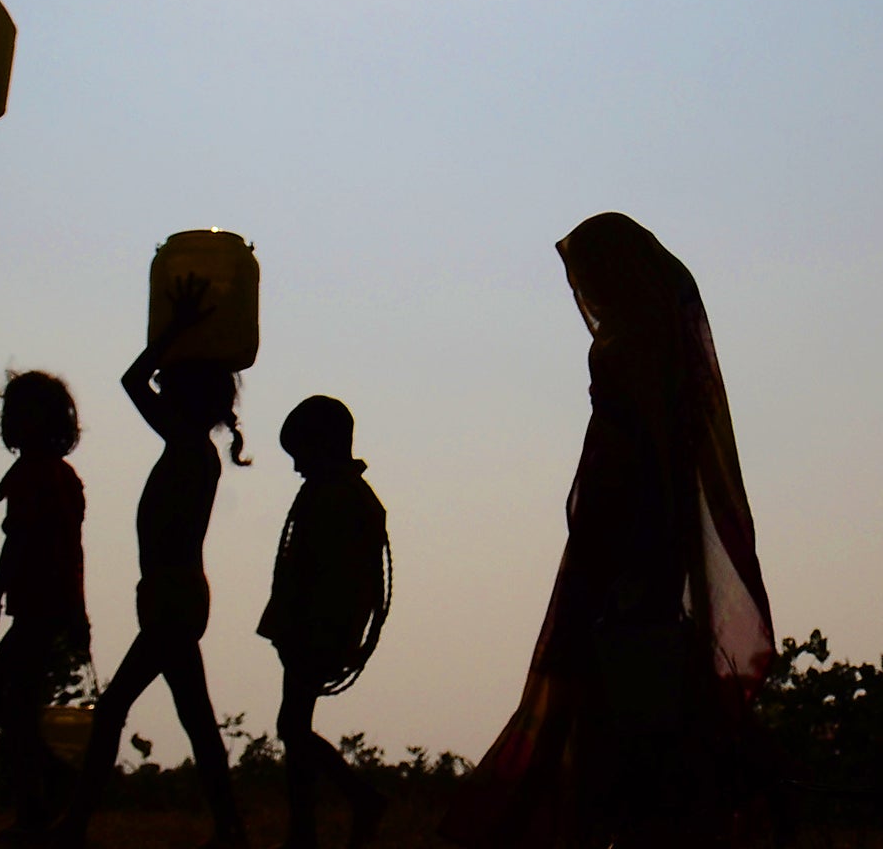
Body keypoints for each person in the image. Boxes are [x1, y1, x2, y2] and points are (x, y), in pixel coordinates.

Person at [441, 213, 776, 849]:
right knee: (628, 716)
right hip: (641, 558)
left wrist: (606, 565)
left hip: (627, 562)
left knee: (613, 715)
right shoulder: (659, 353)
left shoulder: (630, 352)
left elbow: (627, 467)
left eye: (590, 274)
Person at [57, 282, 249, 849]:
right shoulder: (192, 449)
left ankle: (74, 827)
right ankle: (229, 828)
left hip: (173, 599)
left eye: (173, 385)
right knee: (194, 717)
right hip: (174, 597)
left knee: (115, 708)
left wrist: (175, 328)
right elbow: (140, 383)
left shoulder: (188, 446)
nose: (161, 388)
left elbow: (131, 380)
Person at [259, 396, 392, 849]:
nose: (296, 466)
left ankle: (349, 805)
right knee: (293, 728)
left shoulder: (336, 497)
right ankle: (309, 831)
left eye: (300, 454)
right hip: (317, 630)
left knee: (292, 728)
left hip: (315, 631)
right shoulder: (348, 495)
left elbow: (325, 575)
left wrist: (307, 630)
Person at [0, 371, 91, 840]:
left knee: (2, 697)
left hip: (39, 604)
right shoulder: (61, 475)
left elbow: (21, 541)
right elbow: (71, 548)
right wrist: (78, 613)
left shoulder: (34, 476)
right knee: (11, 700)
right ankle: (36, 800)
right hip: (50, 604)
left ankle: (40, 797)